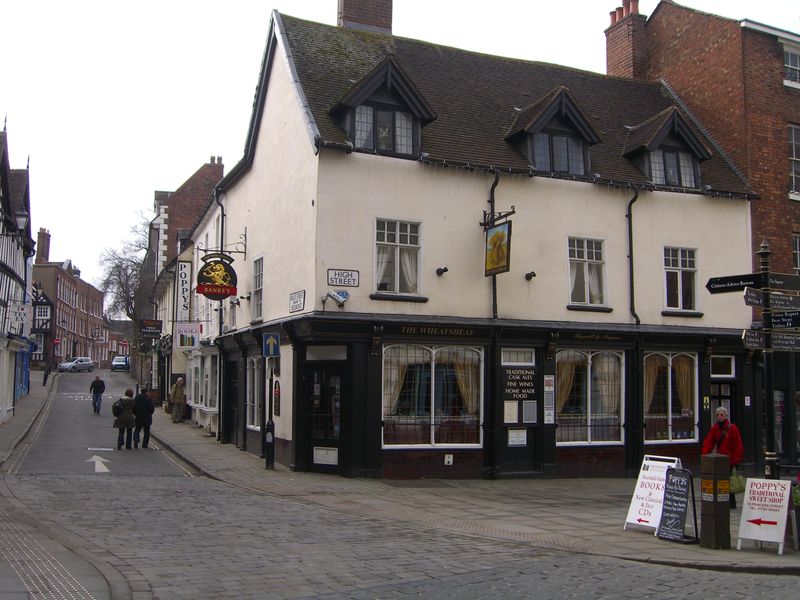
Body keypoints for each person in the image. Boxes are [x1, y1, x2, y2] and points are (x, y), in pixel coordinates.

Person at [701, 405, 744, 508]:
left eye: (721, 415)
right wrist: (704, 455)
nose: (719, 417)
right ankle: (724, 502)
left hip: (730, 459)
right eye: (718, 415)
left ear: (726, 416)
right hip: (720, 459)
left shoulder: (732, 428)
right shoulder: (715, 428)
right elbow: (709, 442)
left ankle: (731, 503)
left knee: (730, 481)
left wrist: (736, 460)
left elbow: (738, 445)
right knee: (721, 481)